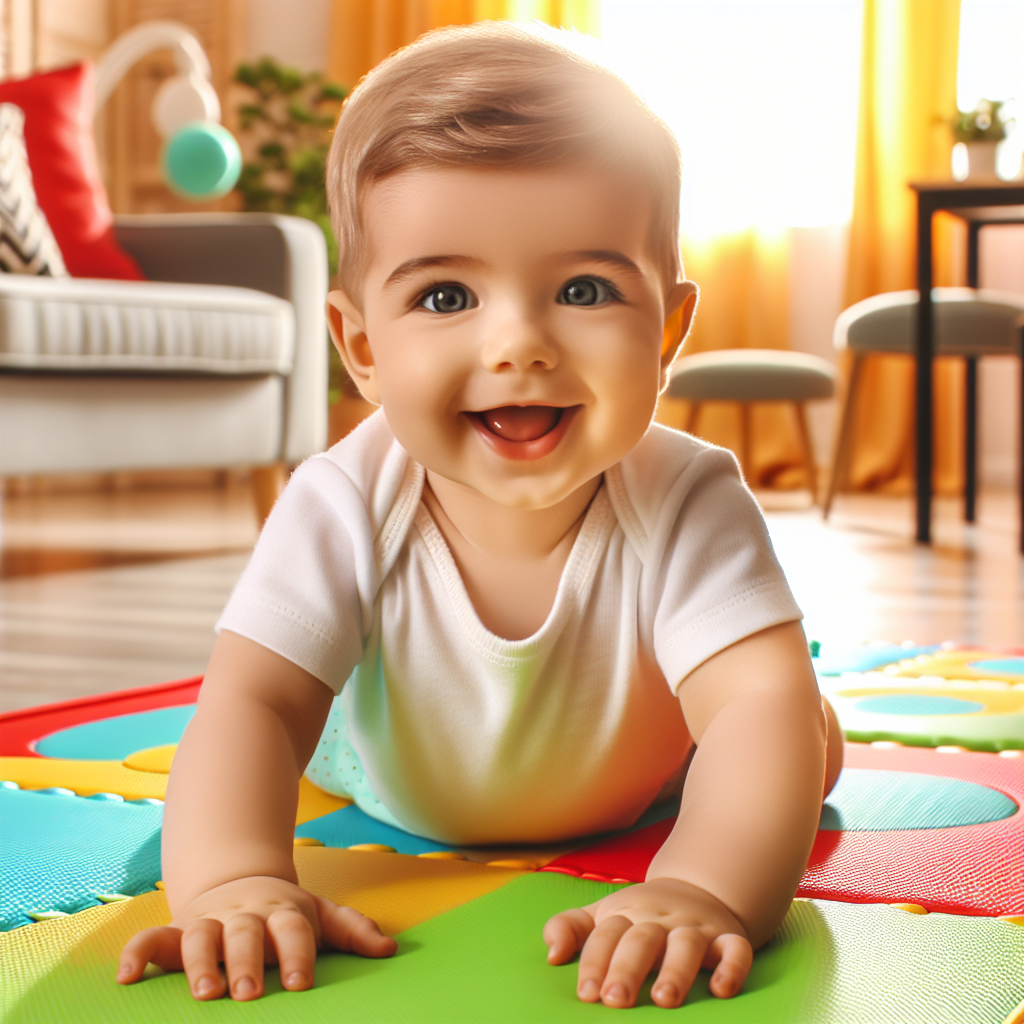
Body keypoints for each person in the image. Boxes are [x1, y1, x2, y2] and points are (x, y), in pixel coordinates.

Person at [117, 22, 843, 1010]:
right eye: (447, 294)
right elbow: (253, 702)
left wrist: (702, 885)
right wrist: (233, 877)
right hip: (387, 774)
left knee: (784, 728)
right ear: (361, 344)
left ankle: (783, 740)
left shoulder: (688, 495)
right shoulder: (341, 498)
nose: (518, 343)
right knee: (251, 739)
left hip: (642, 766)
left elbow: (753, 707)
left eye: (582, 289)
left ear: (667, 329)